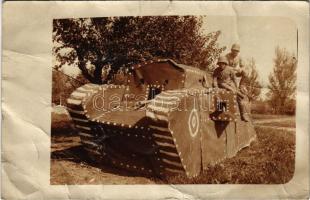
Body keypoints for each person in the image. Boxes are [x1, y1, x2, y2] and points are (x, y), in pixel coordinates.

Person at [213, 56, 250, 122]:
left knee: (239, 98)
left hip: (230, 84)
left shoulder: (229, 69)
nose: (221, 65)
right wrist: (215, 86)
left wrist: (237, 87)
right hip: (222, 84)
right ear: (218, 64)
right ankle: (219, 112)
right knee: (224, 94)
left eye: (223, 63)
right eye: (220, 64)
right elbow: (215, 80)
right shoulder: (216, 70)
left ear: (225, 63)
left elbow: (234, 78)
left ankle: (243, 115)